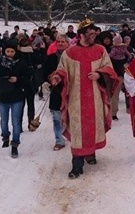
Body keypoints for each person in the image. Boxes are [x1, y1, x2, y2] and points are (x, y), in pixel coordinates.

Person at [49, 18, 120, 179]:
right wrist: (57, 78)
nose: (94, 36)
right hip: (76, 98)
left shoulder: (100, 50)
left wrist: (100, 74)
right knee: (78, 128)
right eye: (90, 33)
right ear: (81, 34)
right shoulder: (70, 52)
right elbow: (62, 70)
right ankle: (77, 164)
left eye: (95, 33)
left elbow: (109, 68)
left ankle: (90, 153)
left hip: (95, 97)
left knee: (93, 126)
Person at [0, 44, 30, 158]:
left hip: (17, 96)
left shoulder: (20, 63)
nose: (10, 53)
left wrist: (17, 79)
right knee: (4, 120)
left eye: (12, 51)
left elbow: (27, 77)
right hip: (2, 95)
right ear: (4, 51)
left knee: (16, 122)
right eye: (8, 51)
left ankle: (15, 144)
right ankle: (5, 136)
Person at [46, 35, 69, 151]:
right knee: (56, 116)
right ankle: (59, 140)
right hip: (55, 90)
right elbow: (44, 72)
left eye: (63, 41)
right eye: (58, 41)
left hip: (70, 90)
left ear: (67, 43)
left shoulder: (72, 57)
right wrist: (50, 78)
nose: (60, 43)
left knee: (71, 116)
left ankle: (72, 136)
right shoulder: (50, 58)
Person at [109, 35, 133, 120]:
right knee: (127, 91)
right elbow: (130, 56)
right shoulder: (124, 48)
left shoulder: (114, 49)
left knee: (114, 94)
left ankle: (112, 113)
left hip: (115, 74)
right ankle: (129, 108)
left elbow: (109, 57)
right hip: (123, 72)